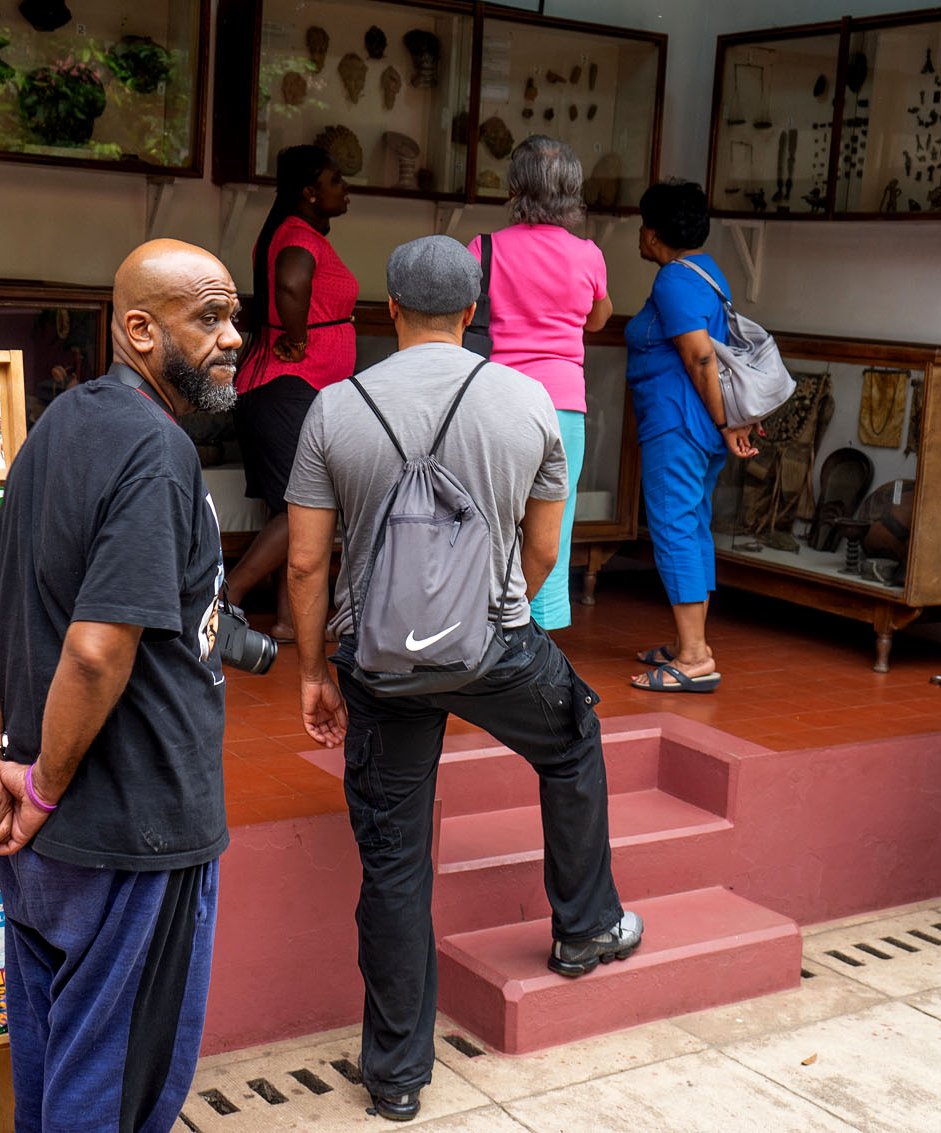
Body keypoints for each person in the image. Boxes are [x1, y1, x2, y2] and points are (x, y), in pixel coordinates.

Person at [286, 236, 640, 1124]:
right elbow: (547, 547)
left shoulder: (334, 408)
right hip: (496, 650)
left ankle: (398, 1074)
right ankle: (585, 925)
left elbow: (302, 566)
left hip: (377, 668)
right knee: (571, 737)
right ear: (473, 312)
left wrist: (310, 674)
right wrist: (491, 604)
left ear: (390, 310)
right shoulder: (526, 402)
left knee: (396, 862)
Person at [0, 238, 238, 1133]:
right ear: (140, 329)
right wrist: (36, 788)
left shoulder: (61, 422)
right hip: (128, 829)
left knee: (50, 1066)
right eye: (210, 317)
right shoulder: (157, 453)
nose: (232, 337)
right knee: (115, 1091)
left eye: (234, 315)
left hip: (49, 833)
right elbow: (94, 652)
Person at [468, 135, 612, 629]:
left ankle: (483, 621)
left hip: (496, 401)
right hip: (563, 405)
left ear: (515, 189)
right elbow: (597, 320)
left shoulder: (483, 249)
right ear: (572, 193)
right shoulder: (589, 255)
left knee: (490, 517)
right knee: (554, 525)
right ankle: (539, 631)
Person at [625, 180, 755, 694]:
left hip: (677, 423)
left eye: (642, 225)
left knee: (674, 529)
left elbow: (699, 355)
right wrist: (724, 423)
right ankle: (689, 642)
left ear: (653, 234)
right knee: (693, 525)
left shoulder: (673, 282)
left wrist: (728, 423)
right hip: (697, 424)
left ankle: (696, 656)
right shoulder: (708, 273)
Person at [227, 145, 357, 640]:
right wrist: (298, 336)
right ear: (309, 192)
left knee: (290, 510)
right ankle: (228, 595)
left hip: (281, 391)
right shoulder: (298, 236)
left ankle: (288, 620)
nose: (344, 189)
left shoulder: (289, 231)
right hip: (288, 388)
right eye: (335, 180)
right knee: (303, 508)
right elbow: (290, 284)